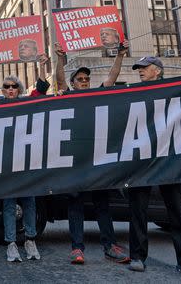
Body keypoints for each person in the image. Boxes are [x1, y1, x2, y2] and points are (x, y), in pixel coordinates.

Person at [126, 56, 181, 276]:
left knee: (176, 210)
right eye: (139, 69)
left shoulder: (175, 92)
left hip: (170, 161)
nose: (140, 71)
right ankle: (137, 257)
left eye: (145, 68)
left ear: (158, 71)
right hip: (142, 161)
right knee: (137, 210)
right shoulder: (134, 94)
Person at [55, 41, 130, 265]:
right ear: (73, 83)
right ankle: (77, 248)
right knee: (75, 206)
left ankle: (110, 246)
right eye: (80, 79)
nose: (85, 82)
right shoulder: (68, 96)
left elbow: (112, 78)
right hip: (76, 162)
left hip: (98, 161)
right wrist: (60, 58)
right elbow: (59, 79)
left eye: (87, 79)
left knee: (102, 205)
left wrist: (120, 56)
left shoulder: (98, 95)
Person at [0, 55, 51, 262]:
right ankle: (11, 244)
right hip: (6, 163)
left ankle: (30, 240)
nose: (10, 89)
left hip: (27, 160)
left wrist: (41, 66)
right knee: (8, 203)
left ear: (19, 88)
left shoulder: (27, 102)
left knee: (30, 202)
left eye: (14, 86)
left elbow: (41, 89)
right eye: (6, 86)